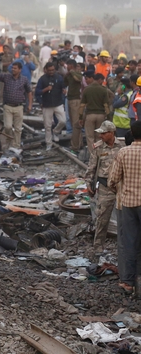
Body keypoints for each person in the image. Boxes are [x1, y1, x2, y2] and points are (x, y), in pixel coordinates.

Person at [108, 121, 141, 294]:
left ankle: (128, 281)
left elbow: (113, 179)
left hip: (128, 203)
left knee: (129, 241)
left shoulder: (124, 152)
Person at [85, 122, 122, 250]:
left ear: (111, 133)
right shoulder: (98, 148)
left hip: (121, 187)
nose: (101, 135)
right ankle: (98, 247)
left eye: (103, 133)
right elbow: (91, 168)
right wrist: (89, 183)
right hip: (105, 187)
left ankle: (124, 246)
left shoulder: (122, 146)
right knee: (102, 219)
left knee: (125, 218)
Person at [0, 61, 32, 153]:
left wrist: (29, 105)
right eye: (12, 68)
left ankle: (16, 146)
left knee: (18, 128)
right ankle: (9, 141)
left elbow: (29, 91)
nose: (13, 69)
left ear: (20, 70)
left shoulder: (24, 79)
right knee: (8, 127)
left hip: (19, 107)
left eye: (15, 68)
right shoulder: (6, 77)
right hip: (8, 106)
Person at [80, 73, 113, 154]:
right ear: (99, 80)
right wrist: (109, 118)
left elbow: (82, 105)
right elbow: (106, 105)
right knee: (99, 136)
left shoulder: (87, 89)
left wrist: (80, 117)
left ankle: (92, 155)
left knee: (90, 137)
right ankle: (99, 154)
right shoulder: (103, 89)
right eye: (102, 80)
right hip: (101, 116)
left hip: (90, 115)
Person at [36, 62, 67, 150]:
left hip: (58, 103)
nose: (51, 72)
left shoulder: (59, 77)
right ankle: (48, 144)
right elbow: (37, 92)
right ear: (46, 70)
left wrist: (64, 92)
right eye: (49, 70)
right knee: (47, 125)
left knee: (63, 121)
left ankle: (56, 131)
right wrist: (45, 90)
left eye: (53, 70)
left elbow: (63, 87)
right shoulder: (42, 79)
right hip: (47, 105)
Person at [64, 59, 84, 151]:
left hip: (76, 100)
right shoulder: (69, 75)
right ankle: (78, 143)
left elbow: (78, 79)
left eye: (68, 65)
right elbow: (65, 83)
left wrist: (72, 72)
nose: (67, 67)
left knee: (76, 123)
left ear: (71, 66)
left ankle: (76, 145)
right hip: (69, 99)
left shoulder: (78, 73)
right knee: (72, 123)